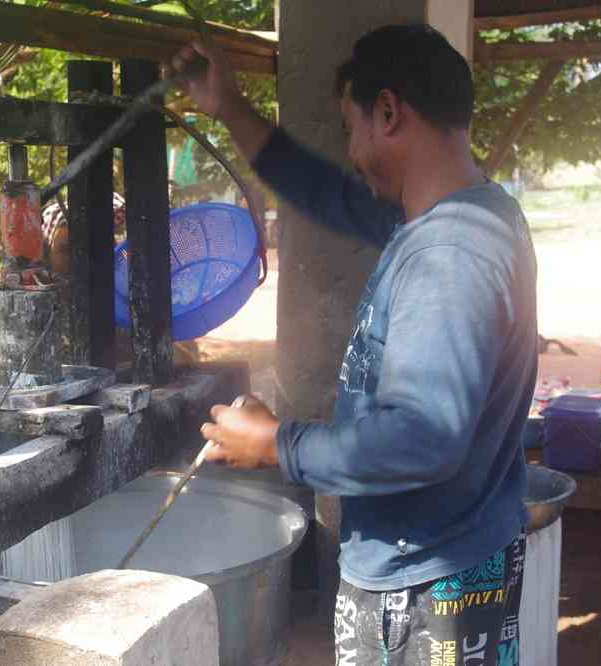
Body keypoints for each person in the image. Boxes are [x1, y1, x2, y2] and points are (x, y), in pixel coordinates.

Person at [174, 24, 537, 666]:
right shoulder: (464, 213)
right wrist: (227, 106)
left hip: (424, 586)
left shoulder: (448, 254)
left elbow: (424, 438)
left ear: (390, 112)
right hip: (445, 560)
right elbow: (322, 191)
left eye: (350, 127)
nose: (351, 149)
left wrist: (276, 443)